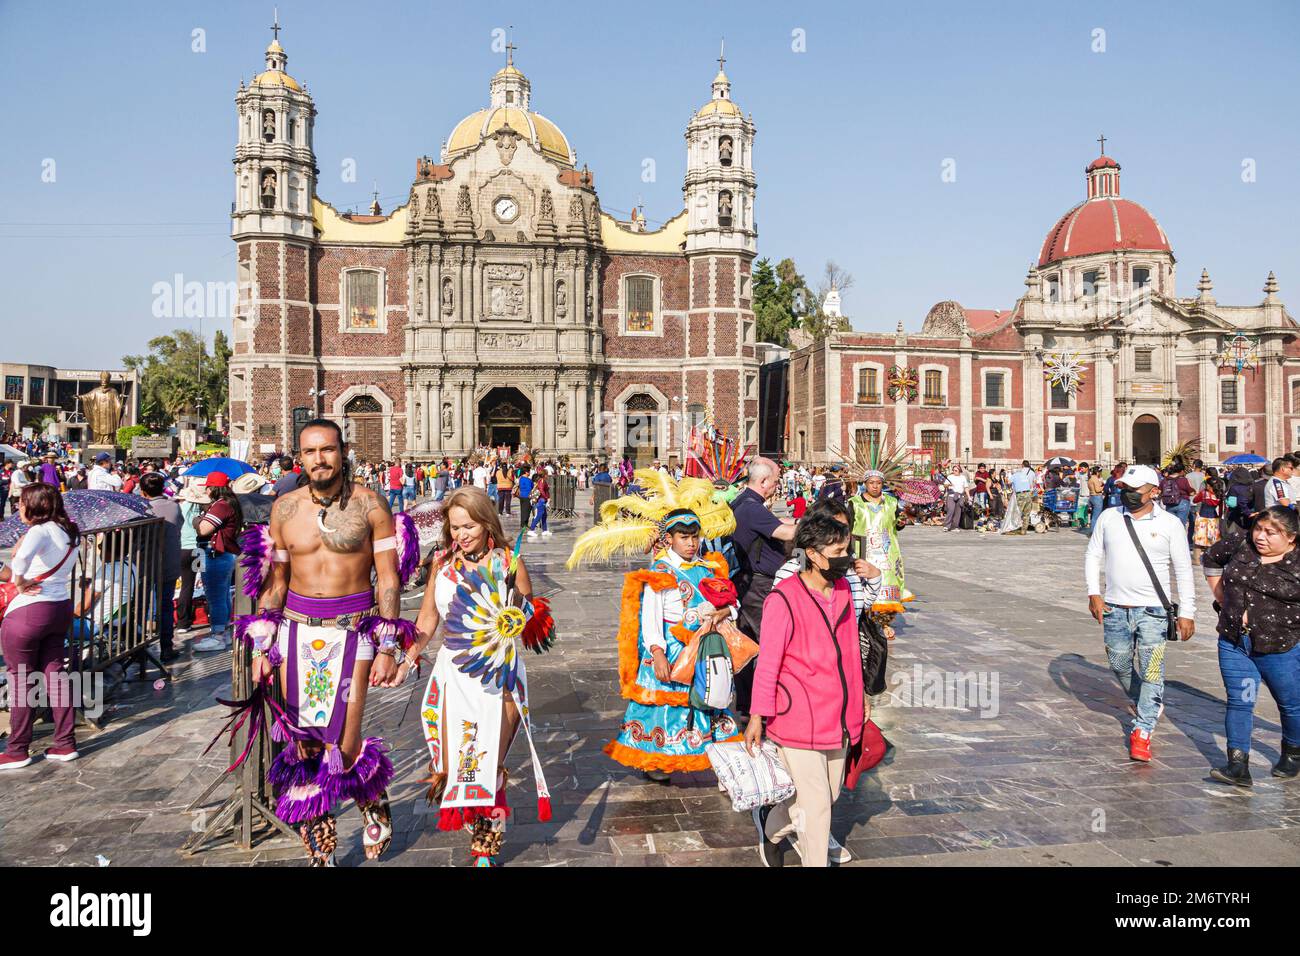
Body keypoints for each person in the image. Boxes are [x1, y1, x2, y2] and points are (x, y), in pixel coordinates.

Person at [240, 419, 411, 866]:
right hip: (295, 632)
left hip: (353, 632)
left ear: (343, 451)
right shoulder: (284, 509)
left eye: (328, 450)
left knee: (346, 742)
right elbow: (274, 583)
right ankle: (322, 845)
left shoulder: (372, 505)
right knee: (305, 743)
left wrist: (389, 644)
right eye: (311, 451)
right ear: (300, 457)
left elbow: (389, 579)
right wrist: (262, 644)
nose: (320, 458)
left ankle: (372, 798)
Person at [406, 486, 554, 866]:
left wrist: (520, 615)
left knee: (489, 763)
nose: (461, 535)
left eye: (468, 525)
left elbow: (527, 618)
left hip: (498, 679)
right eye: (454, 527)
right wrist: (405, 658)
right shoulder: (441, 563)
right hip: (452, 678)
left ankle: (485, 849)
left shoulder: (509, 562)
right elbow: (426, 619)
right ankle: (474, 817)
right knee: (459, 763)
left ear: (487, 522)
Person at [748, 512, 865, 868]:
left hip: (838, 713)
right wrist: (757, 716)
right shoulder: (783, 599)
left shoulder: (843, 589)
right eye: (839, 550)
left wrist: (860, 704)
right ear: (813, 554)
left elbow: (850, 654)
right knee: (815, 806)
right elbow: (767, 663)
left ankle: (772, 827)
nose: (846, 556)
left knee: (825, 796)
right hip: (796, 714)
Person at [605, 507, 742, 782]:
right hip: (672, 648)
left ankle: (707, 750)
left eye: (694, 537)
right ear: (669, 538)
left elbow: (732, 602)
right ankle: (657, 756)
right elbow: (651, 616)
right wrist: (657, 652)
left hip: (703, 648)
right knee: (665, 706)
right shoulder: (661, 570)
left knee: (706, 697)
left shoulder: (709, 567)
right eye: (683, 537)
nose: (691, 543)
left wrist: (723, 613)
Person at [1085, 464, 1196, 762]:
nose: (1127, 495)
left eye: (1134, 490)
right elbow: (1093, 554)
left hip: (1154, 611)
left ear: (1154, 492)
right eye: (1123, 489)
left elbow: (1184, 570)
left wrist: (1187, 611)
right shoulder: (1109, 517)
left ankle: (1143, 728)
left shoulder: (1171, 524)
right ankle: (1148, 701)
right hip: (1114, 607)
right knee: (1119, 665)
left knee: (1151, 670)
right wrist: (1093, 593)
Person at [1200, 507, 1300, 786]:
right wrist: (1220, 596)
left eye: (1271, 533)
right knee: (1240, 701)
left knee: (1291, 705)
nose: (1261, 537)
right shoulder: (1240, 544)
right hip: (1235, 643)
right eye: (1259, 529)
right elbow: (1210, 558)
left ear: (1291, 538)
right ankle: (1237, 765)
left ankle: (1292, 753)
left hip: (1280, 647)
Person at [0, 483, 81, 769]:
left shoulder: (40, 530)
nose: (19, 507)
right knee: (56, 675)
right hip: (59, 607)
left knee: (21, 679)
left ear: (34, 505)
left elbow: (19, 561)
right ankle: (65, 742)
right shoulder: (69, 531)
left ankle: (18, 748)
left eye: (22, 502)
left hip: (28, 611)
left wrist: (20, 581)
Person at [729, 457, 798, 714]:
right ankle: (761, 704)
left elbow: (778, 525)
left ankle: (748, 703)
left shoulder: (746, 502)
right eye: (775, 482)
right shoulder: (751, 507)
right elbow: (786, 533)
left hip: (749, 583)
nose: (777, 486)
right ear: (763, 481)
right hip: (758, 585)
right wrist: (816, 522)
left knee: (748, 641)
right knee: (767, 641)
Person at [848, 469, 912, 634]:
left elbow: (897, 524)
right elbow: (847, 526)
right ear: (865, 484)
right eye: (871, 483)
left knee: (887, 584)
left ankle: (884, 623)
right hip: (863, 549)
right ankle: (862, 622)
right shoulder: (854, 503)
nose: (875, 487)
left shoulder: (891, 502)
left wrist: (902, 520)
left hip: (886, 551)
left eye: (878, 483)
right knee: (862, 585)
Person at [191, 472, 243, 652]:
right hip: (221, 553)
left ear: (212, 488)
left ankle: (218, 635)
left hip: (215, 553)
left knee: (215, 596)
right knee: (222, 595)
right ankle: (224, 632)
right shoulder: (229, 503)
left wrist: (196, 520)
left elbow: (204, 529)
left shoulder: (221, 506)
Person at [140, 472, 183, 662]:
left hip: (145, 564)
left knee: (140, 605)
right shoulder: (173, 506)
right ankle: (167, 645)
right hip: (169, 561)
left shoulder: (143, 509)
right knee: (165, 605)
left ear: (143, 491)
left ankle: (139, 647)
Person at [1191, 475, 1223, 562]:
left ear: (1208, 485)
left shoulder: (1204, 493)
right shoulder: (1220, 495)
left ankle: (1196, 560)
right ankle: (1210, 559)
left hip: (1202, 518)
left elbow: (1195, 500)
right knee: (1212, 539)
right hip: (1214, 519)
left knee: (1198, 539)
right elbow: (1221, 509)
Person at [1159, 462, 1194, 528]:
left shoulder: (1164, 480)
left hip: (1169, 503)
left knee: (1171, 526)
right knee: (1181, 526)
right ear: (1181, 471)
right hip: (1183, 503)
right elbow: (1191, 493)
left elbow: (1159, 491)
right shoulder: (1184, 480)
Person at [1005, 460, 1036, 534]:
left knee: (1017, 512)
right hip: (1028, 493)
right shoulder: (1029, 473)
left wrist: (1006, 478)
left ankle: (1015, 528)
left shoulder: (1016, 474)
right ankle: (1023, 530)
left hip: (1020, 495)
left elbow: (1008, 482)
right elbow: (1034, 483)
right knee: (1026, 513)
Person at [942, 464, 970, 532]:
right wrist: (949, 484)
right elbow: (945, 485)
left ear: (959, 471)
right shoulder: (950, 477)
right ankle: (946, 526)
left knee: (958, 512)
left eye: (956, 470)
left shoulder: (963, 477)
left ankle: (954, 526)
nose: (954, 471)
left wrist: (969, 497)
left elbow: (966, 487)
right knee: (951, 510)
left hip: (960, 496)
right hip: (951, 495)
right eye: (953, 470)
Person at [527, 466, 550, 538]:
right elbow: (542, 490)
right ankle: (531, 529)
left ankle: (545, 530)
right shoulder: (542, 481)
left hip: (543, 499)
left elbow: (545, 490)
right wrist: (546, 498)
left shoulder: (542, 480)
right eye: (547, 474)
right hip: (541, 500)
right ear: (545, 475)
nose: (548, 475)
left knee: (544, 515)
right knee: (539, 515)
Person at [516, 465, 534, 530]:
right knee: (527, 511)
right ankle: (524, 524)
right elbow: (530, 488)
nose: (529, 473)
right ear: (526, 472)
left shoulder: (521, 479)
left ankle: (523, 524)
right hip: (527, 496)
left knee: (523, 510)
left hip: (522, 496)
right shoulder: (528, 480)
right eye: (529, 472)